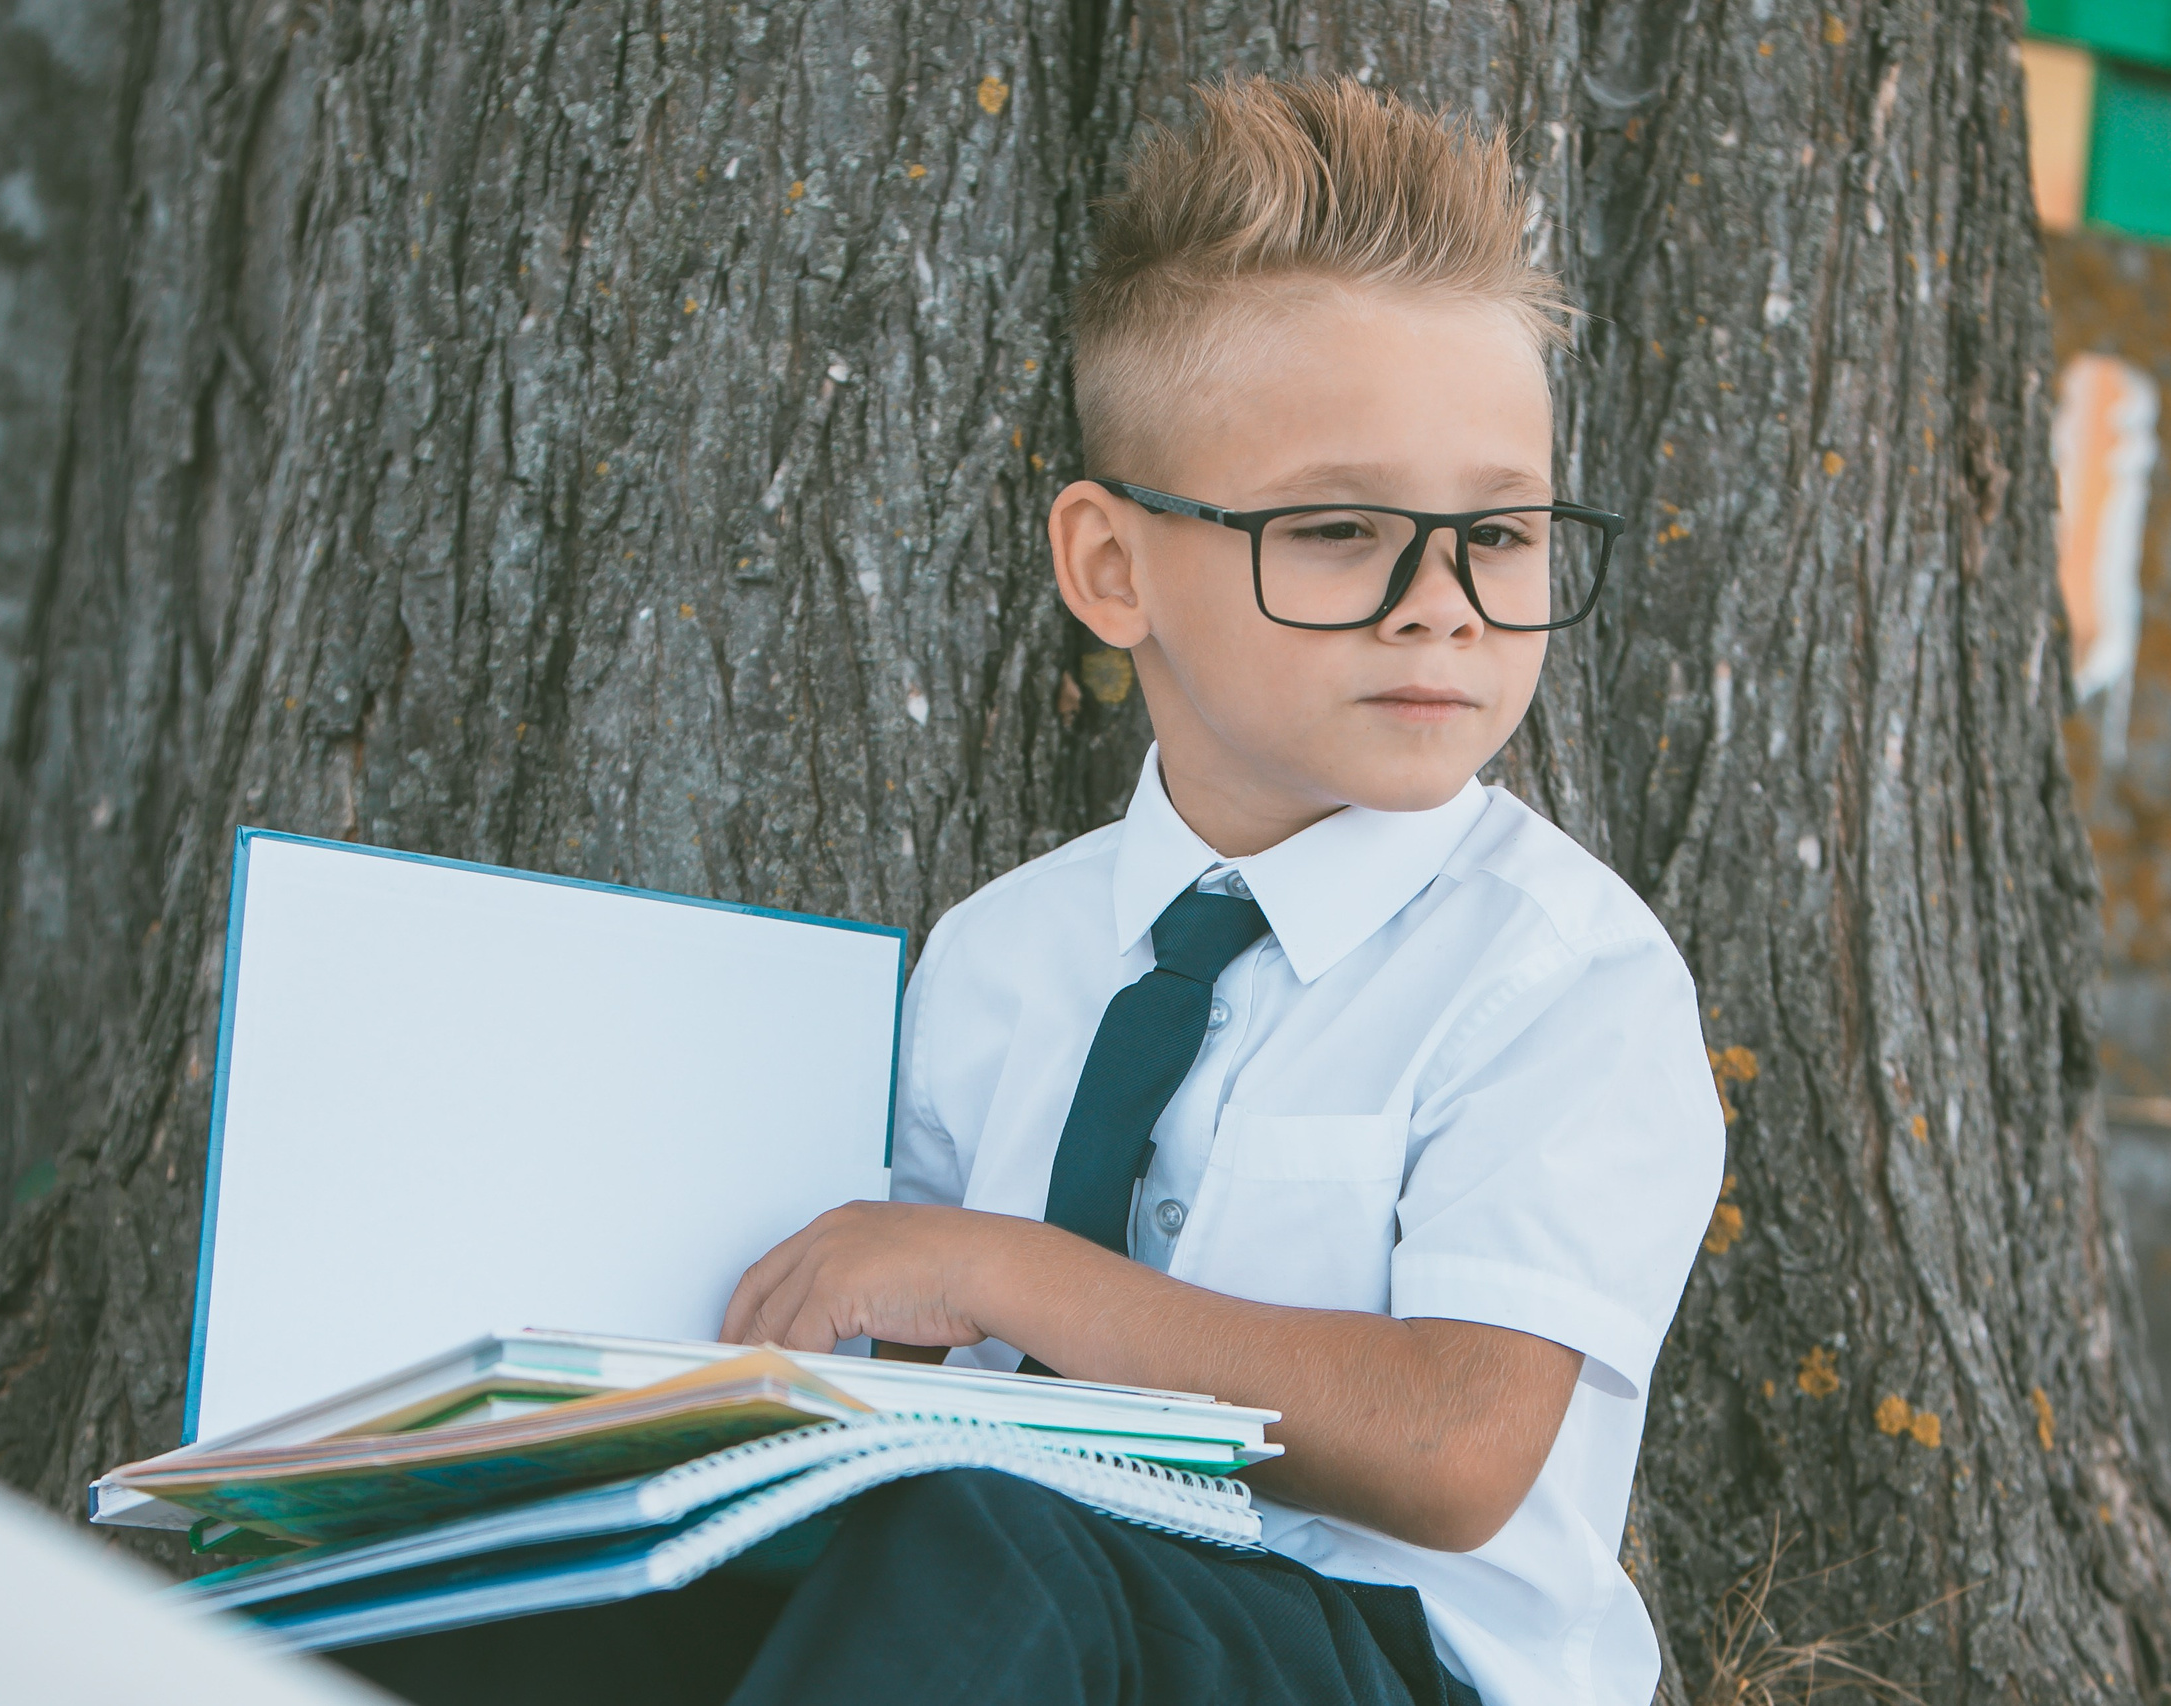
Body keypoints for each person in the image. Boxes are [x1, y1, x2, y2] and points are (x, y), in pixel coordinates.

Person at [346, 72, 1721, 1706]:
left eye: (1499, 534)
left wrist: (1005, 1269)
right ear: (1111, 568)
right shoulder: (1006, 955)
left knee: (984, 1551)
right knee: (519, 1582)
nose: (1444, 608)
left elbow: (1456, 1446)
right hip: (1019, 1598)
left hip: (1385, 1658)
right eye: (1345, 530)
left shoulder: (1560, 971)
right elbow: (914, 1362)